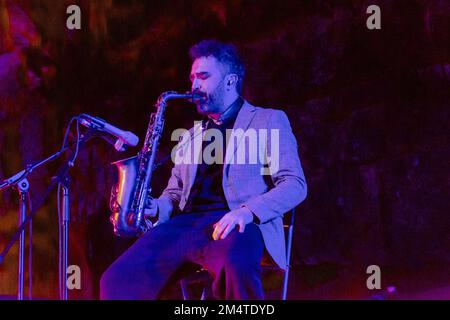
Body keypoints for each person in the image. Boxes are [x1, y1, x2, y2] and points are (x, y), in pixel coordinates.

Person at [100, 39, 307, 300]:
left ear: (230, 81)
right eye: (192, 78)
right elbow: (173, 195)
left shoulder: (268, 120)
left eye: (203, 76)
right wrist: (157, 207)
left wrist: (247, 212)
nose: (194, 85)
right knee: (117, 280)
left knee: (236, 265)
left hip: (236, 223)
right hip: (184, 226)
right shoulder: (189, 136)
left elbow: (295, 184)